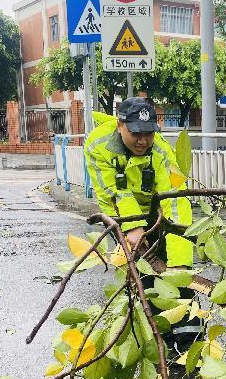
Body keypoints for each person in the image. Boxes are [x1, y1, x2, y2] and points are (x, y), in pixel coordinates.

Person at [84, 97, 201, 351]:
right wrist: (133, 227)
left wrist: (181, 260)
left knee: (177, 274)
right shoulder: (98, 146)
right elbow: (111, 193)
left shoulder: (161, 152)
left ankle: (191, 342)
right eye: (136, 132)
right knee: (146, 274)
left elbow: (176, 201)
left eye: (148, 133)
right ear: (119, 125)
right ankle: (164, 339)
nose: (143, 141)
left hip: (157, 211)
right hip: (120, 215)